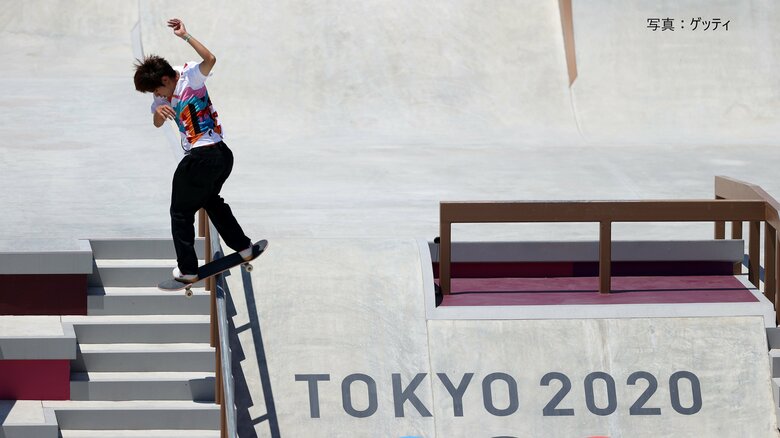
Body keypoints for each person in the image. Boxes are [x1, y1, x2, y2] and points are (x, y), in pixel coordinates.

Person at [133, 18, 253, 282]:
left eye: (157, 89)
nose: (157, 95)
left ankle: (187, 269)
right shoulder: (161, 96)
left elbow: (210, 58)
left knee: (180, 212)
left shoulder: (191, 78)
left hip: (203, 156)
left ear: (166, 78)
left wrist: (185, 36)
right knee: (209, 200)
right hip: (221, 157)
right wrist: (159, 114)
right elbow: (155, 121)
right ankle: (243, 246)